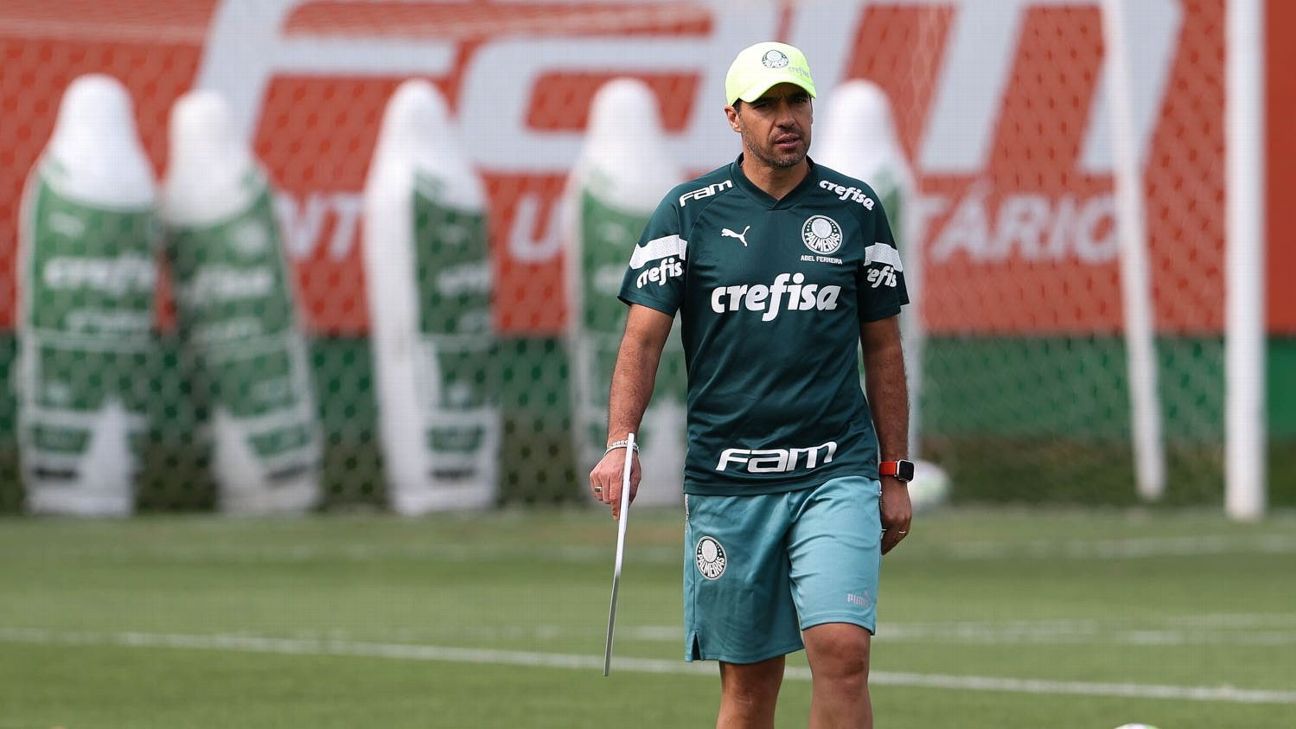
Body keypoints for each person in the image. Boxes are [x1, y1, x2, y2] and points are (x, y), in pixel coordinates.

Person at [589, 40, 913, 729]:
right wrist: (620, 441)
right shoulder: (686, 212)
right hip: (729, 480)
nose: (785, 117)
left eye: (797, 101)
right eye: (767, 105)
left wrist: (893, 470)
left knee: (843, 651)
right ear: (734, 116)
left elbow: (884, 348)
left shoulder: (856, 209)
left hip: (836, 470)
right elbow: (641, 340)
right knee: (749, 688)